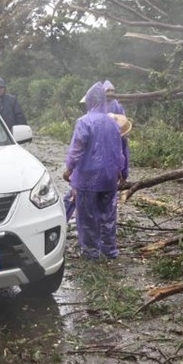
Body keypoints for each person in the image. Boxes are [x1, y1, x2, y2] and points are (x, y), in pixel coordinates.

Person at [62, 82, 127, 259]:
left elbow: (77, 148)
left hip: (87, 178)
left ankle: (91, 253)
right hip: (108, 178)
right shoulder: (113, 122)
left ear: (90, 101)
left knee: (87, 217)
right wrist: (121, 172)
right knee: (108, 216)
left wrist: (69, 168)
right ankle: (109, 251)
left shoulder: (84, 122)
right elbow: (119, 150)